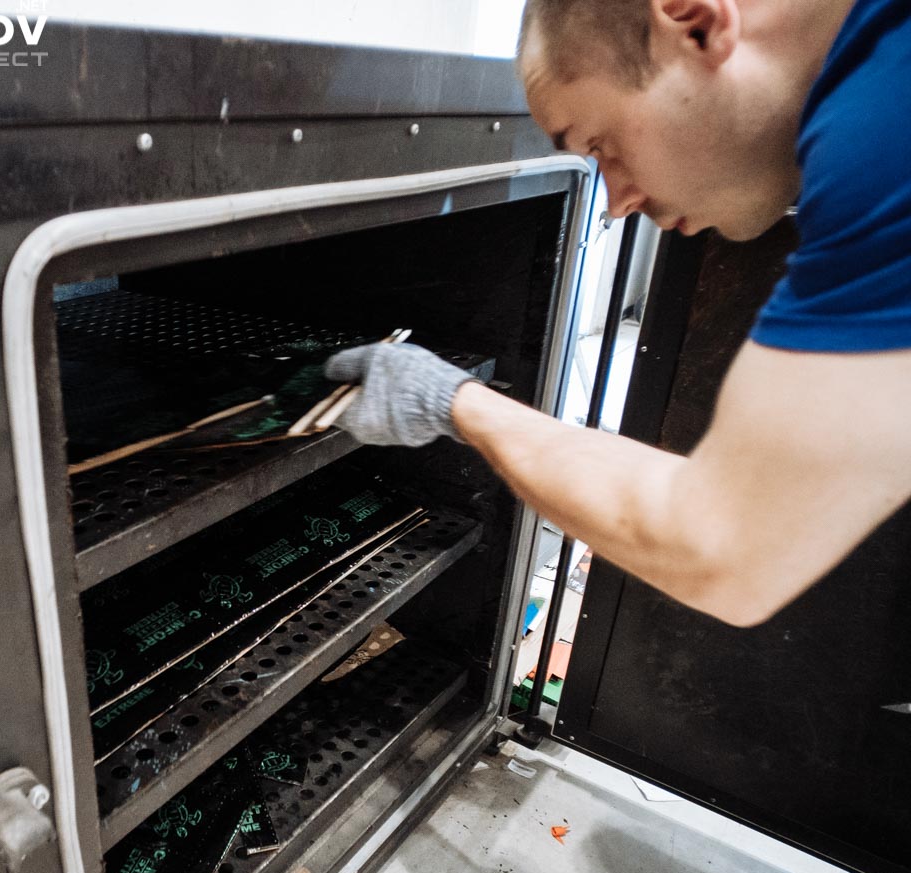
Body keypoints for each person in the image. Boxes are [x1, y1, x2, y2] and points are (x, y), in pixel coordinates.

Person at [325, 0, 911, 627]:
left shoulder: (884, 142)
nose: (617, 202)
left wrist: (449, 400)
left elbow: (720, 546)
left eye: (602, 145)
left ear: (694, 22)